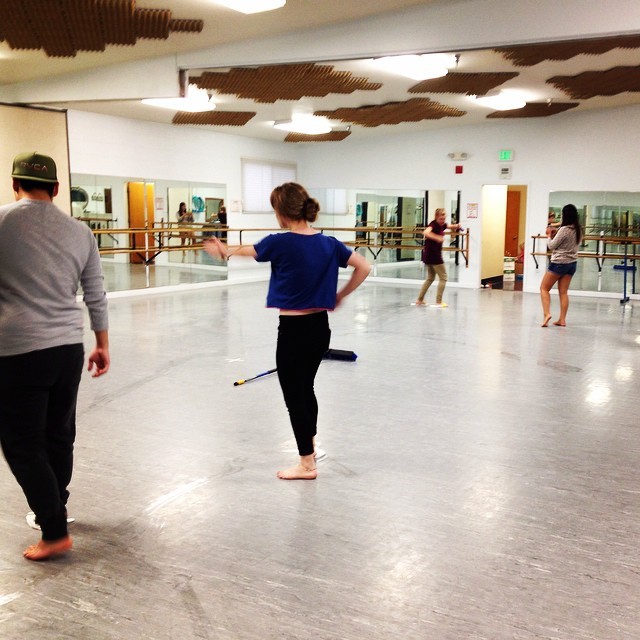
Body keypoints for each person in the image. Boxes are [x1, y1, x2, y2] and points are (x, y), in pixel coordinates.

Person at [203, 182, 370, 480]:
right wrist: (340, 295)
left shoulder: (279, 242)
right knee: (306, 388)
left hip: (293, 332)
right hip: (320, 329)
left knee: (295, 397)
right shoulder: (329, 243)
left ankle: (307, 464)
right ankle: (312, 445)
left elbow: (248, 250)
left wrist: (225, 251)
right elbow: (364, 267)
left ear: (281, 213)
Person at [0, 152, 110, 561]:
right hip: (67, 348)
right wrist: (102, 343)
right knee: (59, 436)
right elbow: (95, 292)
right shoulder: (80, 232)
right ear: (57, 190)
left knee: (22, 443)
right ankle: (54, 507)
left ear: (15, 184)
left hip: (17, 350)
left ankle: (54, 530)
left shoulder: (1, 220)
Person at [540, 203, 582, 327]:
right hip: (572, 263)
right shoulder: (578, 229)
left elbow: (551, 246)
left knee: (544, 288)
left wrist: (548, 236)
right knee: (563, 292)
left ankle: (547, 313)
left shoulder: (564, 229)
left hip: (559, 263)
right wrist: (555, 235)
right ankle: (562, 320)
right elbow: (569, 243)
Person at [414, 208, 463, 307]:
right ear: (436, 217)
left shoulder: (442, 225)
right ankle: (438, 301)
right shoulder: (433, 224)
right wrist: (437, 237)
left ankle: (419, 300)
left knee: (430, 278)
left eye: (444, 219)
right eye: (441, 219)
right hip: (433, 255)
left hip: (429, 255)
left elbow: (448, 226)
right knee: (443, 277)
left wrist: (457, 225)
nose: (442, 221)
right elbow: (426, 232)